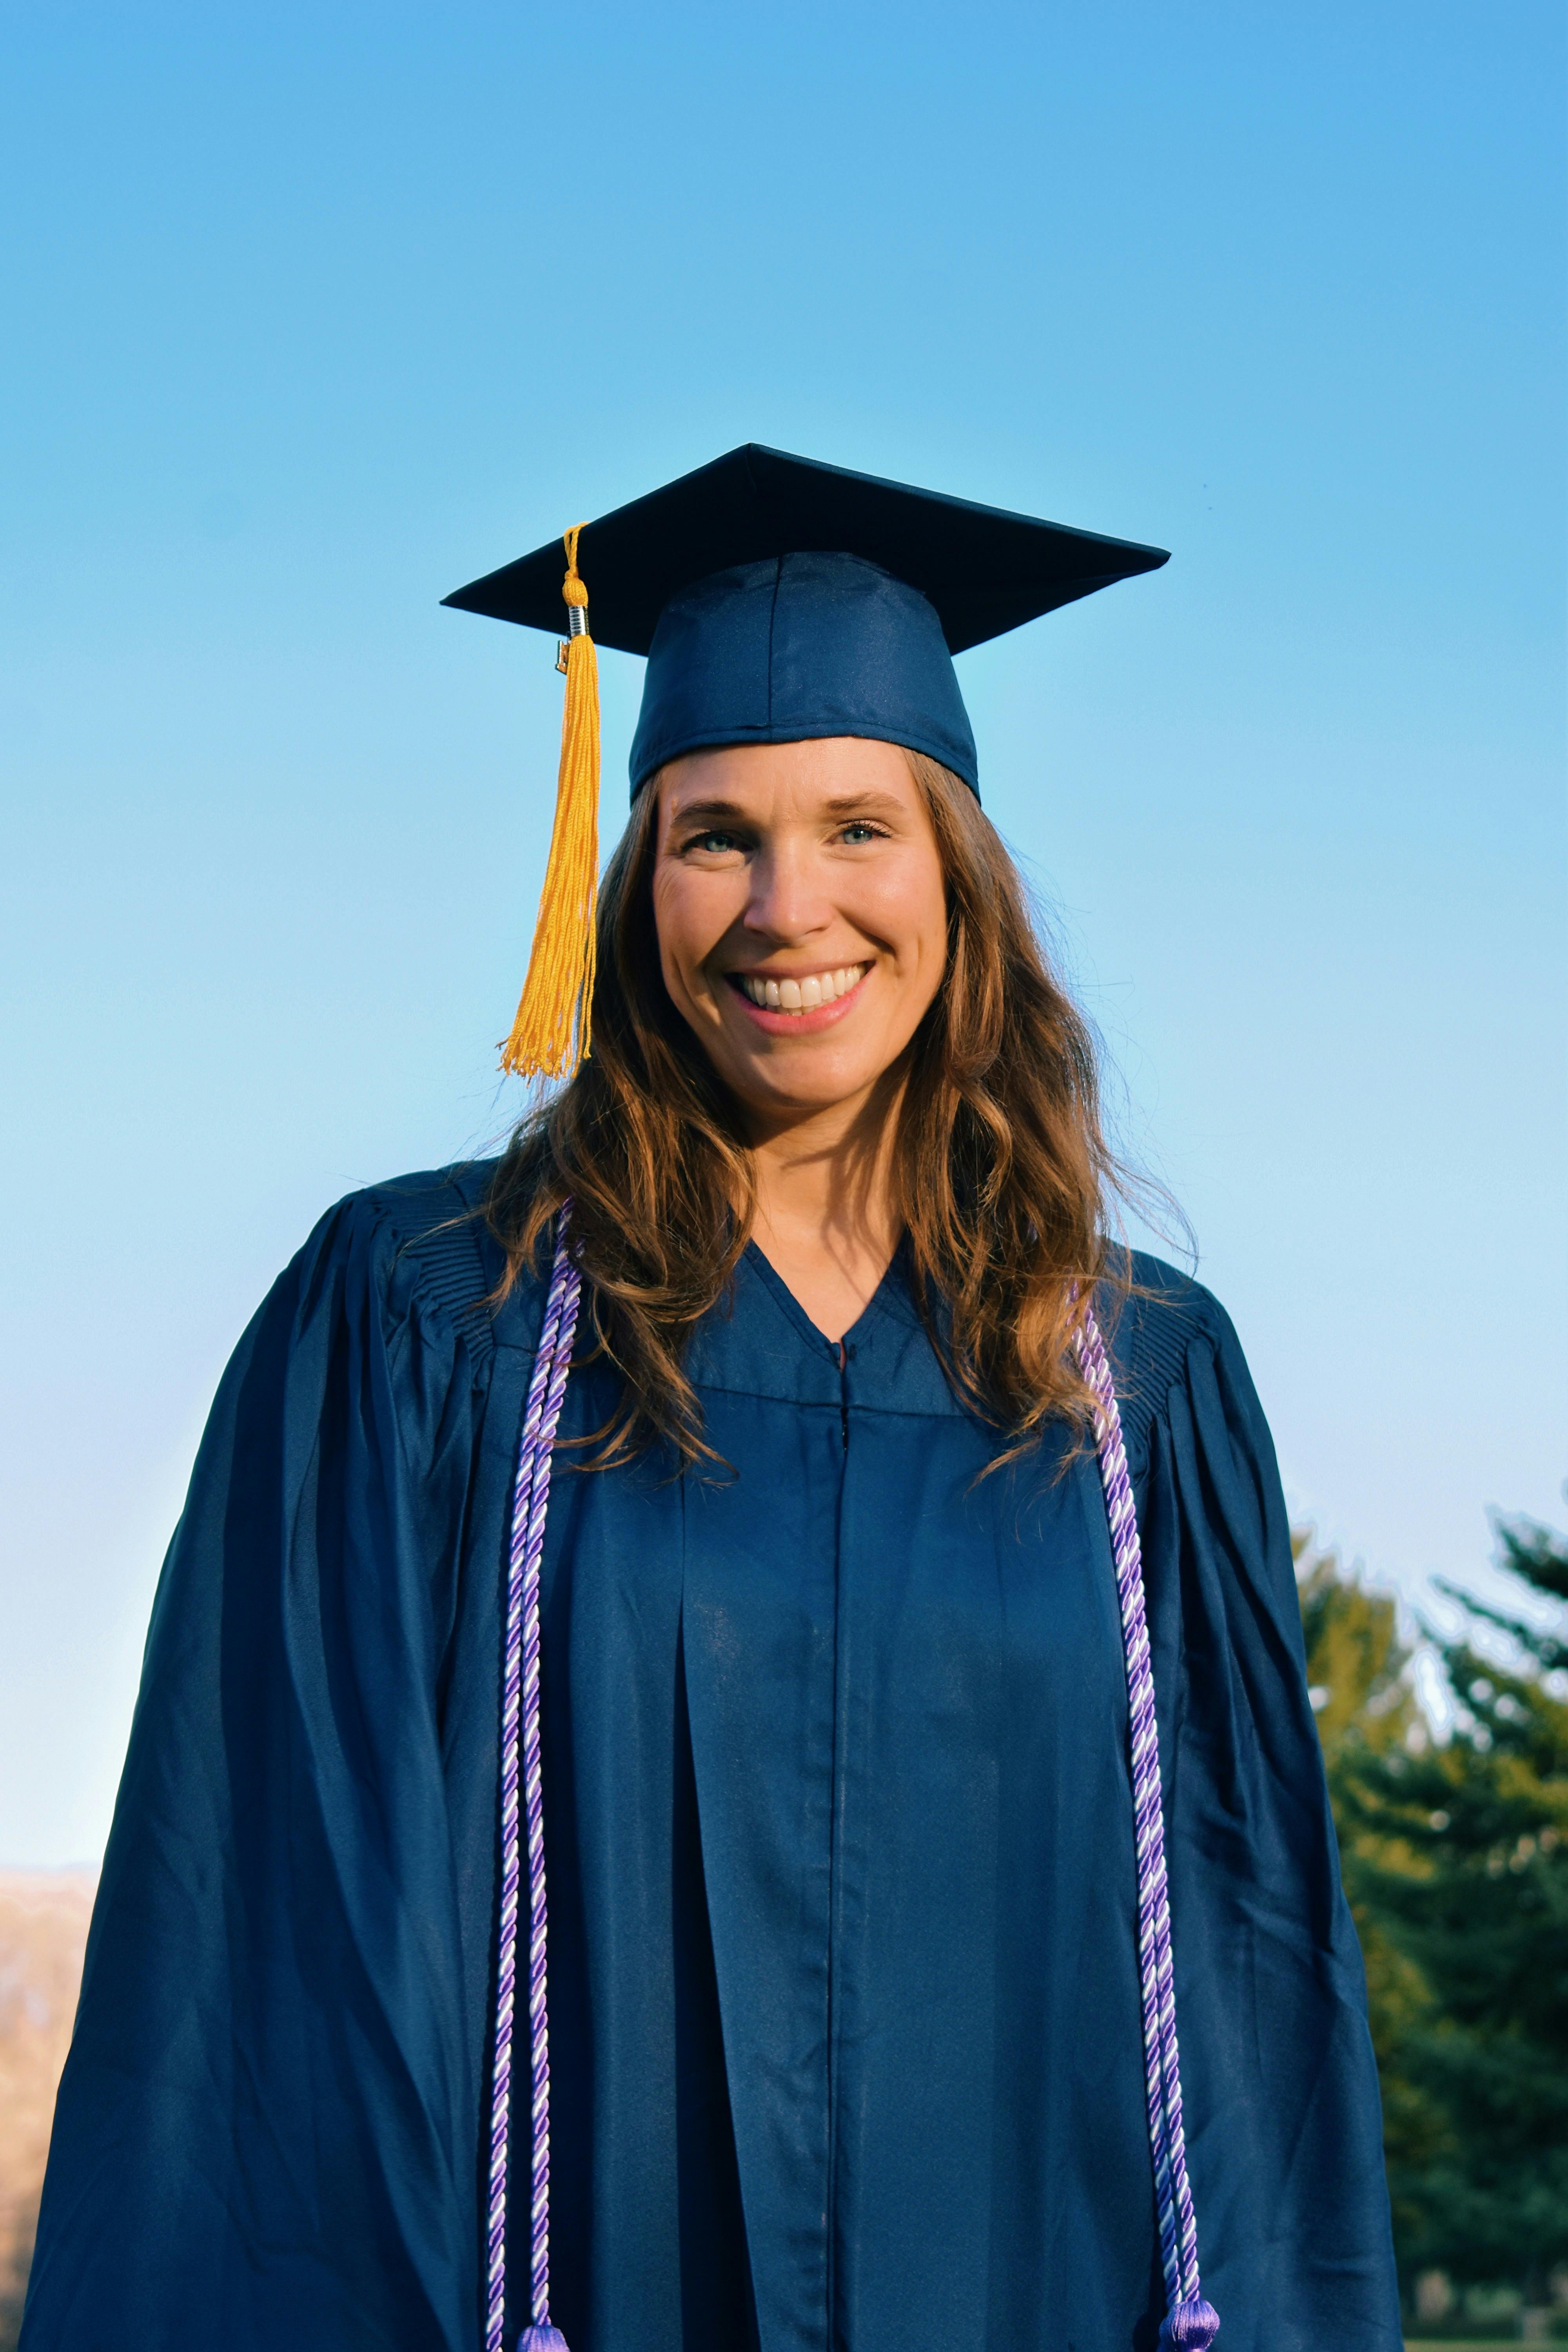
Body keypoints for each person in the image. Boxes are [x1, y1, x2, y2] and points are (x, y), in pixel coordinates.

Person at [21, 448, 1402, 2352]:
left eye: (857, 828)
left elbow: (1244, 2027)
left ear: (957, 883)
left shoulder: (1137, 1382)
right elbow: (266, 1968)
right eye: (713, 835)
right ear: (634, 880)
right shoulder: (430, 1324)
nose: (784, 907)